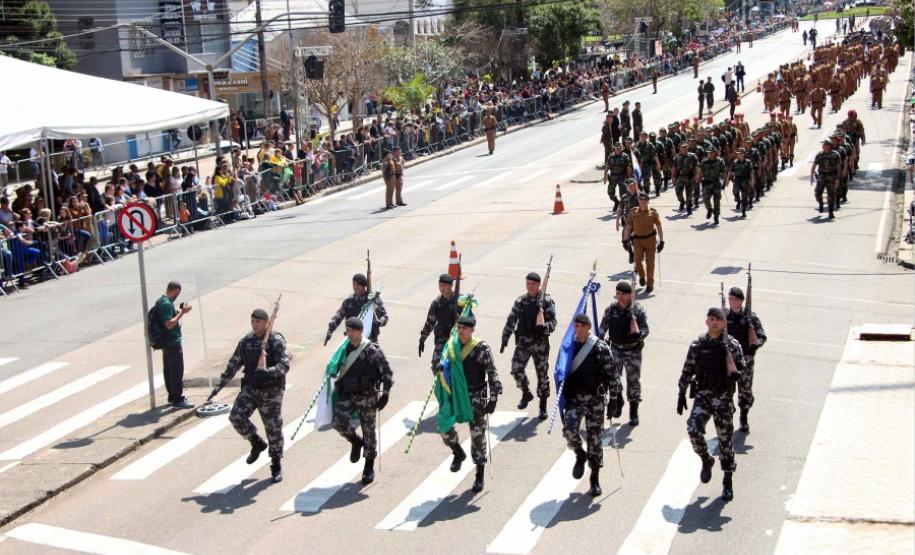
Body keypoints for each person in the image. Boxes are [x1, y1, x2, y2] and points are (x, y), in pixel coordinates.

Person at [209, 308, 289, 483]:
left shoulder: (275, 341)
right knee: (236, 417)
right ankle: (256, 442)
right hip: (251, 388)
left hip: (271, 392)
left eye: (258, 322)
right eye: (252, 321)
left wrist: (268, 371)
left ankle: (276, 464)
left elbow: (284, 365)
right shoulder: (246, 341)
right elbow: (234, 363)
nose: (254, 325)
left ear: (267, 323)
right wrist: (219, 386)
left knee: (273, 428)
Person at [676, 307, 746, 502]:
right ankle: (706, 459)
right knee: (693, 428)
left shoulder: (732, 345)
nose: (714, 322)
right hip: (703, 396)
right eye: (711, 319)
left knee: (725, 441)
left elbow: (742, 368)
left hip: (723, 398)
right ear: (706, 321)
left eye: (718, 319)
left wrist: (737, 374)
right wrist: (681, 392)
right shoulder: (698, 344)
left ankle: (727, 480)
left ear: (724, 323)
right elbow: (687, 369)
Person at [562, 313, 621, 497]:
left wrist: (614, 400)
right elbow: (560, 370)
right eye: (576, 326)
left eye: (582, 326)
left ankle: (594, 478)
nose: (578, 329)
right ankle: (580, 454)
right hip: (575, 398)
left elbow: (613, 374)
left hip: (595, 400)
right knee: (569, 430)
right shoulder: (568, 346)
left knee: (595, 440)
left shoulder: (599, 347)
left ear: (588, 327)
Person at [440, 315, 501, 493]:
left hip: (475, 397)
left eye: (464, 328)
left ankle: (479, 474)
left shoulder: (481, 348)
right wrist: (441, 368)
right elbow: (446, 365)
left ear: (472, 330)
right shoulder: (452, 347)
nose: (461, 331)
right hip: (457, 395)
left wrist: (493, 398)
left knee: (477, 436)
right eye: (459, 328)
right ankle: (457, 451)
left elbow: (492, 373)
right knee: (444, 424)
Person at [331, 317, 394, 485]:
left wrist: (385, 394)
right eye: (347, 331)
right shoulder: (343, 349)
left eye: (351, 331)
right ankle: (356, 442)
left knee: (369, 431)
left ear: (359, 332)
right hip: (348, 394)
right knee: (338, 421)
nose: (348, 334)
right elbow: (334, 367)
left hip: (367, 396)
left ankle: (368, 465)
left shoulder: (372, 350)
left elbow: (387, 373)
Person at [501, 271, 557, 420]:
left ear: (539, 285)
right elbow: (512, 320)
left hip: (540, 343)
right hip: (524, 342)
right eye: (528, 284)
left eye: (532, 284)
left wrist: (545, 328)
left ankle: (543, 405)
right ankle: (526, 392)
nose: (530, 286)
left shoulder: (546, 301)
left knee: (542, 375)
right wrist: (505, 337)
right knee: (516, 368)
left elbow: (553, 322)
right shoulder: (521, 301)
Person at [598, 281, 649, 426]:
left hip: (633, 350)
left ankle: (634, 411)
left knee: (633, 381)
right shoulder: (611, 309)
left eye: (622, 294)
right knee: (613, 377)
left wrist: (638, 335)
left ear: (629, 295)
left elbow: (646, 329)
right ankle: (618, 399)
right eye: (618, 294)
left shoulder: (638, 311)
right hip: (615, 348)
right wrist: (598, 345)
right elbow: (602, 329)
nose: (619, 297)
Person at [726, 287, 766, 434]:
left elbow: (762, 335)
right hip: (729, 359)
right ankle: (727, 419)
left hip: (746, 360)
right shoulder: (723, 316)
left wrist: (756, 344)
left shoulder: (750, 317)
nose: (732, 301)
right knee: (726, 392)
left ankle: (744, 417)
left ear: (741, 300)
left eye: (735, 299)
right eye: (730, 298)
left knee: (745, 391)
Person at [155, 281, 193, 408]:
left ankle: (172, 396)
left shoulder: (162, 301)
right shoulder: (166, 303)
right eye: (178, 292)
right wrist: (182, 313)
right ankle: (177, 398)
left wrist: (177, 312)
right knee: (176, 370)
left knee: (169, 370)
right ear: (176, 290)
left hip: (167, 342)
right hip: (172, 342)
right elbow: (169, 324)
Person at [326, 273, 389, 344]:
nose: (355, 287)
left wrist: (380, 322)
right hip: (353, 341)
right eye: (354, 284)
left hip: (369, 340)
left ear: (363, 286)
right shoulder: (349, 301)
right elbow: (338, 316)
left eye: (358, 285)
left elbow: (384, 316)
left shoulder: (372, 300)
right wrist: (330, 330)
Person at [419, 273, 462, 370]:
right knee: (436, 365)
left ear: (451, 286)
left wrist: (459, 316)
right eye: (440, 285)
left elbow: (471, 320)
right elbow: (430, 322)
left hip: (459, 340)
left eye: (444, 286)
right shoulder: (437, 303)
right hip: (443, 340)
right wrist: (422, 339)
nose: (442, 288)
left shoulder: (461, 301)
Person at [623, 192, 665, 294]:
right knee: (637, 261)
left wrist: (662, 241)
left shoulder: (653, 213)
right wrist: (625, 240)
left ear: (648, 201)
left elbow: (659, 227)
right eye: (641, 199)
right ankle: (642, 276)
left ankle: (650, 284)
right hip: (637, 241)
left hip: (650, 240)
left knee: (650, 264)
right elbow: (628, 227)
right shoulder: (633, 213)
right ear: (638, 201)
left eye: (645, 199)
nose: (642, 201)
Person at [811, 140, 841, 219]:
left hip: (831, 176)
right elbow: (814, 165)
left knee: (831, 195)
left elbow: (838, 167)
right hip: (821, 176)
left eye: (826, 145)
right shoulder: (819, 155)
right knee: (817, 193)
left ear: (829, 146)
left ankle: (831, 212)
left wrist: (838, 179)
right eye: (823, 146)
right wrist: (811, 176)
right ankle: (821, 204)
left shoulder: (835, 154)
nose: (824, 147)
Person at [697, 147, 727, 225]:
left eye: (711, 152)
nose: (709, 154)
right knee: (705, 199)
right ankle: (709, 209)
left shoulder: (720, 161)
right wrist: (697, 181)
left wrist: (724, 183)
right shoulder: (704, 162)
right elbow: (700, 172)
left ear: (715, 153)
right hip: (707, 183)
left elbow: (724, 172)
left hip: (716, 183)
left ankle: (716, 217)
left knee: (717, 201)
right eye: (708, 152)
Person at [603, 142, 632, 212]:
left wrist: (629, 178)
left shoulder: (625, 156)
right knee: (610, 192)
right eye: (616, 148)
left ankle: (621, 206)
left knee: (622, 193)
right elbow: (607, 166)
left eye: (619, 148)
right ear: (614, 149)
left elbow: (628, 167)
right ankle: (616, 202)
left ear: (621, 148)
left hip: (622, 176)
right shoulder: (611, 156)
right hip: (613, 176)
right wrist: (605, 176)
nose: (618, 150)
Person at [672, 143, 699, 215]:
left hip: (690, 177)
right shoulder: (677, 157)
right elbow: (674, 168)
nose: (684, 149)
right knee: (678, 191)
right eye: (682, 148)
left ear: (687, 148)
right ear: (680, 149)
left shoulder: (692, 156)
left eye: (685, 148)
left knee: (689, 193)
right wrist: (673, 177)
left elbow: (696, 166)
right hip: (680, 177)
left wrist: (697, 175)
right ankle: (682, 201)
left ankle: (689, 207)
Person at [729, 148, 755, 217]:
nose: (740, 155)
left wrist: (752, 180)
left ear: (744, 154)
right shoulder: (735, 162)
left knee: (744, 196)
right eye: (738, 153)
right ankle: (738, 200)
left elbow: (751, 172)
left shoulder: (748, 162)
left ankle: (743, 210)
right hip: (737, 179)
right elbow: (731, 170)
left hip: (745, 180)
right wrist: (728, 179)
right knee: (735, 191)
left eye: (741, 153)